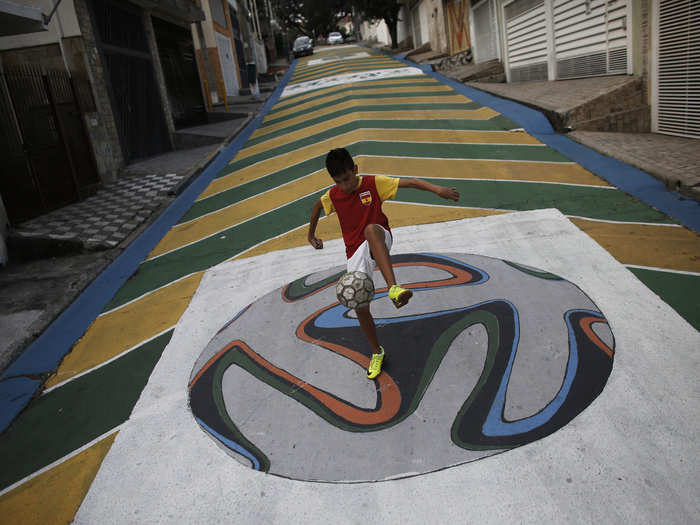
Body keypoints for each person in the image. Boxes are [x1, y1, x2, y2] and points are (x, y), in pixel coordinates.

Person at [307, 148, 460, 379]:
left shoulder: (373, 183)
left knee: (370, 230)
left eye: (347, 179)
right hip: (355, 250)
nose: (344, 185)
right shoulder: (334, 195)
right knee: (359, 304)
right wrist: (311, 235)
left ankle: (393, 288)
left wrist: (437, 189)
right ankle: (377, 352)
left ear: (355, 170)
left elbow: (411, 182)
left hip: (379, 235)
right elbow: (317, 206)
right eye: (338, 181)